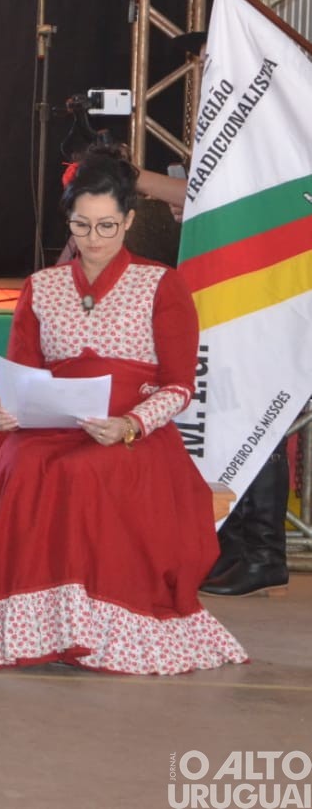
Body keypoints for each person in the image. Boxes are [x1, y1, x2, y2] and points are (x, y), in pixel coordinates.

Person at [0, 148, 247, 673]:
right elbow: (23, 375)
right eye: (82, 226)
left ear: (128, 220)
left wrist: (131, 423)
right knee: (13, 470)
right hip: (50, 424)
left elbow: (179, 386)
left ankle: (90, 631)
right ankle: (29, 630)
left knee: (84, 475)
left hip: (130, 434)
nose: (94, 240)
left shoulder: (162, 285)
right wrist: (9, 412)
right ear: (68, 223)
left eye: (107, 226)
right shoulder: (43, 286)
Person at [134, 170, 291, 598]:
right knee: (229, 410)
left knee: (257, 413)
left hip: (280, 300)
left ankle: (263, 553)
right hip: (250, 294)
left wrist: (136, 177)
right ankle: (234, 545)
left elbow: (240, 197)